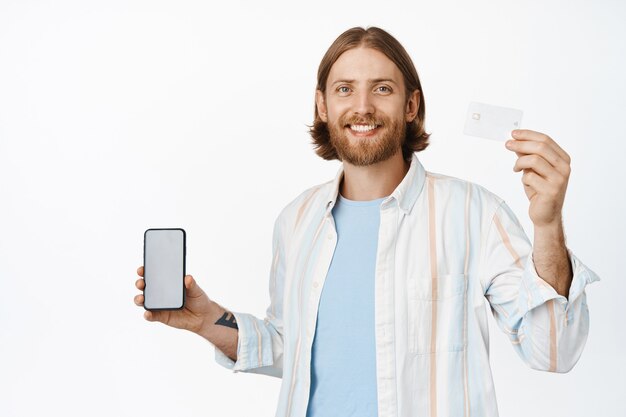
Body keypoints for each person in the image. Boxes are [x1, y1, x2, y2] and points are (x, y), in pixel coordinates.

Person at [134, 26, 599, 417]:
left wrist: (547, 225)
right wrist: (205, 320)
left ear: (411, 105)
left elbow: (553, 350)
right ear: (322, 106)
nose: (362, 107)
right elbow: (292, 348)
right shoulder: (296, 221)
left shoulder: (474, 212)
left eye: (382, 88)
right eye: (344, 89)